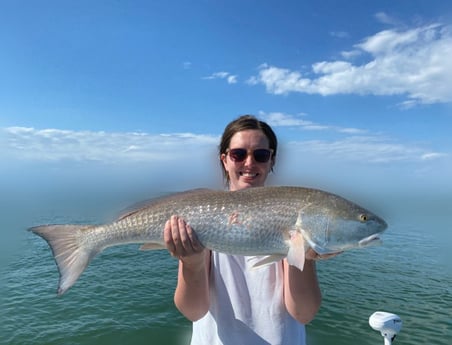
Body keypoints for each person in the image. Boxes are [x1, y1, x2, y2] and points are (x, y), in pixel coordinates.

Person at [163, 115, 331, 345]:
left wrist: (305, 257)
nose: (249, 163)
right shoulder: (203, 215)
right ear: (224, 160)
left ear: (272, 160)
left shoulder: (291, 216)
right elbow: (194, 311)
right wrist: (191, 263)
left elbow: (303, 313)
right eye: (238, 154)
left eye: (261, 155)